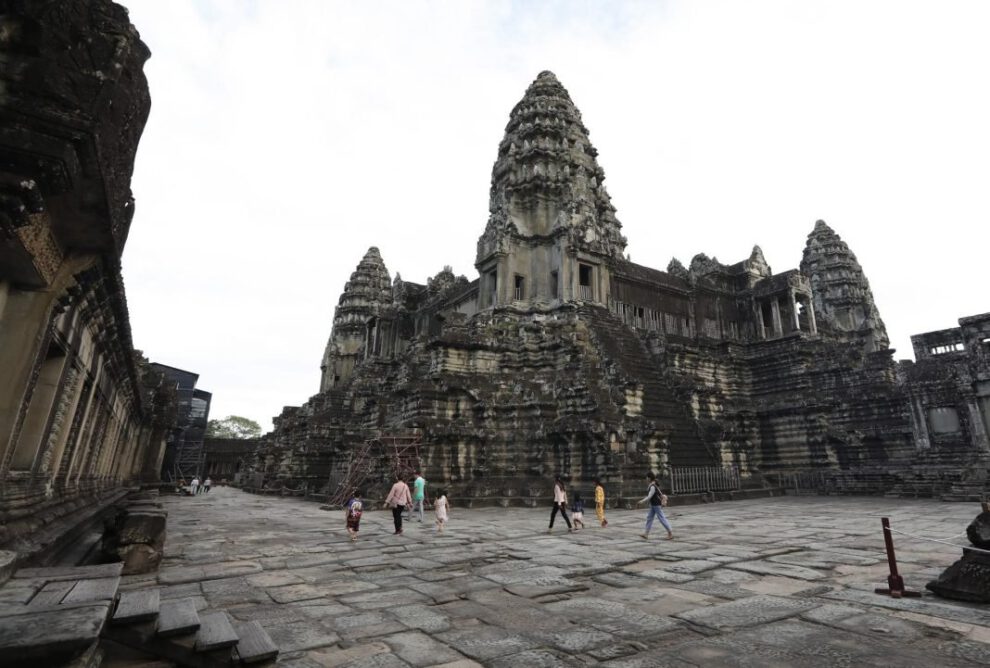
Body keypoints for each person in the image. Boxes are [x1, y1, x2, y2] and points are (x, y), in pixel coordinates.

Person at [637, 472, 673, 540]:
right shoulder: (652, 484)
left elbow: (649, 496)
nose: (646, 479)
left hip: (656, 505)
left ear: (649, 478)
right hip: (653, 505)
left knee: (661, 518)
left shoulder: (653, 486)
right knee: (649, 518)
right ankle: (646, 534)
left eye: (647, 477)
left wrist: (642, 501)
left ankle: (670, 533)